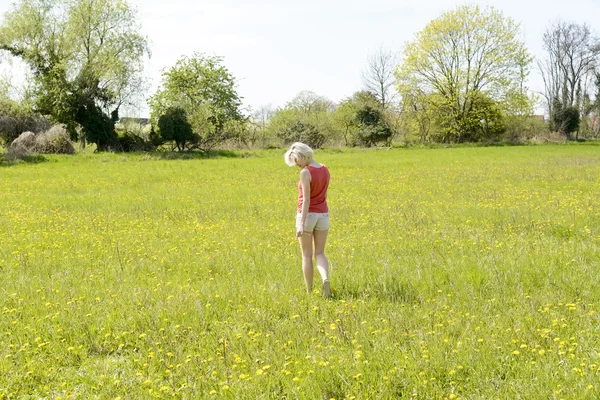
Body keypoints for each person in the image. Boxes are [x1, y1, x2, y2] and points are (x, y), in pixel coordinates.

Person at [284, 142, 331, 297]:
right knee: (320, 253)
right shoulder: (325, 169)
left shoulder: (306, 172)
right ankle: (325, 279)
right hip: (323, 215)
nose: (296, 164)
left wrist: (301, 223)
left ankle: (310, 292)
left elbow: (306, 200)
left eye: (296, 160)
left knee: (306, 255)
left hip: (308, 215)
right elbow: (323, 195)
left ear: (303, 156)